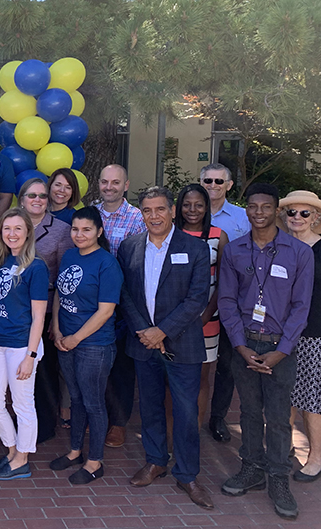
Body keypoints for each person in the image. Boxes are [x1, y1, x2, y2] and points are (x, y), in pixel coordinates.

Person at [218, 183, 313, 520]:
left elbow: (301, 307)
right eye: (253, 206)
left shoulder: (299, 253)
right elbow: (226, 300)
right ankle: (252, 468)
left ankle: (278, 477)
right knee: (247, 412)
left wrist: (282, 351)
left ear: (277, 210)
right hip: (244, 344)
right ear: (247, 209)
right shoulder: (235, 251)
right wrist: (240, 346)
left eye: (266, 207)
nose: (259, 212)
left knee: (277, 417)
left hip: (279, 348)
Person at [118, 187, 214, 509]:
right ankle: (156, 460)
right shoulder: (130, 247)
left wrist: (163, 331)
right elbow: (126, 295)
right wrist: (145, 332)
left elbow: (197, 298)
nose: (154, 216)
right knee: (150, 406)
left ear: (172, 211)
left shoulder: (196, 248)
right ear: (141, 213)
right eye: (147, 210)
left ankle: (187, 474)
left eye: (160, 209)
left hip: (181, 344)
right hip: (143, 342)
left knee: (186, 412)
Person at [49, 207, 122, 484]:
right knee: (76, 398)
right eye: (75, 229)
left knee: (93, 402)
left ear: (99, 232)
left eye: (86, 229)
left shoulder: (106, 264)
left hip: (94, 345)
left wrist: (76, 338)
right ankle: (75, 450)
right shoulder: (69, 255)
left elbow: (105, 311)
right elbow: (59, 293)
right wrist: (56, 327)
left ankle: (95, 461)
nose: (79, 234)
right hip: (65, 341)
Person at [0, 208, 49, 481]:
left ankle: (23, 458)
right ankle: (12, 449)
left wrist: (31, 355)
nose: (11, 233)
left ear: (28, 232)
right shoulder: (0, 260)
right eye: (6, 228)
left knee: (23, 404)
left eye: (17, 228)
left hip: (22, 346)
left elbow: (39, 316)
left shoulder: (36, 267)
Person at [18, 177, 75, 443]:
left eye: (42, 196)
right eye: (32, 196)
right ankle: (21, 421)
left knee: (45, 370)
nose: (38, 200)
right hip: (15, 312)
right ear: (22, 199)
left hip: (48, 310)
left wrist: (57, 322)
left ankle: (44, 425)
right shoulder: (10, 226)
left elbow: (65, 280)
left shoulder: (62, 230)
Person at [94, 163, 145, 449]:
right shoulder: (91, 213)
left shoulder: (137, 218)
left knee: (121, 366)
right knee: (95, 361)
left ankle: (118, 423)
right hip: (91, 300)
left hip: (124, 301)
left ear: (126, 185)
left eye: (115, 182)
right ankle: (96, 414)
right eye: (104, 182)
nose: (109, 187)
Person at [200, 162, 249, 443]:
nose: (213, 186)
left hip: (232, 300)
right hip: (199, 304)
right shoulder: (189, 214)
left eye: (219, 182)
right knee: (201, 364)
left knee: (227, 363)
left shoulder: (242, 218)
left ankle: (217, 417)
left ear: (229, 185)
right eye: (208, 180)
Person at [175, 184, 228, 429]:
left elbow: (224, 282)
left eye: (198, 205)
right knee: (172, 377)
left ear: (207, 207)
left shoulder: (219, 236)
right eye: (186, 204)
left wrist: (206, 315)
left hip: (206, 320)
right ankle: (173, 427)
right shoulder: (171, 233)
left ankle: (194, 428)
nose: (192, 210)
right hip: (172, 320)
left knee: (201, 376)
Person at [278, 190, 321, 483]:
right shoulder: (280, 247)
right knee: (283, 397)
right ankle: (284, 449)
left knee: (310, 400)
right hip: (279, 333)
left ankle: (316, 457)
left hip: (313, 333)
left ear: (315, 217)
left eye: (304, 213)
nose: (297, 218)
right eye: (292, 212)